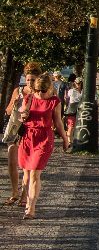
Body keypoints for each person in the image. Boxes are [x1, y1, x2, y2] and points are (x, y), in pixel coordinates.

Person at [17, 72, 70, 218]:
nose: (40, 93)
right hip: (27, 137)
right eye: (37, 90)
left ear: (50, 89)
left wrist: (65, 139)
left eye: (43, 91)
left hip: (44, 138)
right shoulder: (29, 98)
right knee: (26, 174)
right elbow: (21, 115)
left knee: (35, 172)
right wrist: (23, 115)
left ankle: (31, 209)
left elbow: (58, 122)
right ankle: (27, 202)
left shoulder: (55, 101)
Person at [5, 63, 41, 207]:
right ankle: (14, 192)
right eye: (27, 80)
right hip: (15, 129)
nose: (30, 83)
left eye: (32, 80)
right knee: (12, 161)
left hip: (30, 131)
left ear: (38, 79)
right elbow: (7, 111)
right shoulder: (18, 91)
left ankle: (25, 196)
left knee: (27, 165)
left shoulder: (41, 93)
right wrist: (14, 103)